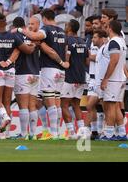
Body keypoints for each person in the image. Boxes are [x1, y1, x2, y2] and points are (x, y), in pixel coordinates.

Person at [17, 9, 69, 140]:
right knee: (56, 101)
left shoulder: (46, 29)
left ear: (44, 19)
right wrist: (63, 63)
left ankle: (53, 133)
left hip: (50, 69)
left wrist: (20, 30)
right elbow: (65, 49)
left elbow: (41, 42)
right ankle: (56, 132)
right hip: (60, 72)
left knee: (50, 101)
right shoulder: (62, 31)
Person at [0, 15, 35, 138]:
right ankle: (5, 134)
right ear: (6, 23)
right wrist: (33, 46)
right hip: (11, 71)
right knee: (7, 102)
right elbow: (27, 50)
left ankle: (5, 117)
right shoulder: (13, 37)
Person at [14, 16, 41, 140]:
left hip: (23, 73)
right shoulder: (35, 37)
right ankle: (33, 134)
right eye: (29, 23)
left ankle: (24, 134)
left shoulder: (18, 36)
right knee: (32, 105)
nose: (30, 25)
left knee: (23, 105)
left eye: (32, 23)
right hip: (36, 73)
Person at [100, 20, 128, 141]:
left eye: (106, 27)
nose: (105, 29)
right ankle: (121, 133)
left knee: (110, 106)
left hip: (113, 79)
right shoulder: (121, 41)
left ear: (110, 28)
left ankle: (109, 134)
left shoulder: (114, 42)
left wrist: (106, 78)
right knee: (115, 107)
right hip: (119, 78)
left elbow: (114, 60)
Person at [61, 19, 88, 140]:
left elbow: (67, 57)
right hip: (81, 77)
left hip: (69, 77)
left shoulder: (67, 40)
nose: (65, 27)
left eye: (66, 25)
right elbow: (87, 60)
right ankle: (81, 132)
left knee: (64, 105)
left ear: (70, 28)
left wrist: (65, 62)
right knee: (77, 105)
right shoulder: (83, 41)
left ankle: (71, 133)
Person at [85, 28, 107, 140]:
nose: (92, 39)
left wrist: (88, 56)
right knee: (90, 106)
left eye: (94, 37)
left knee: (106, 106)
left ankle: (108, 131)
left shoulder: (105, 49)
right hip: (93, 80)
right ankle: (95, 132)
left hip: (102, 81)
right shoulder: (97, 48)